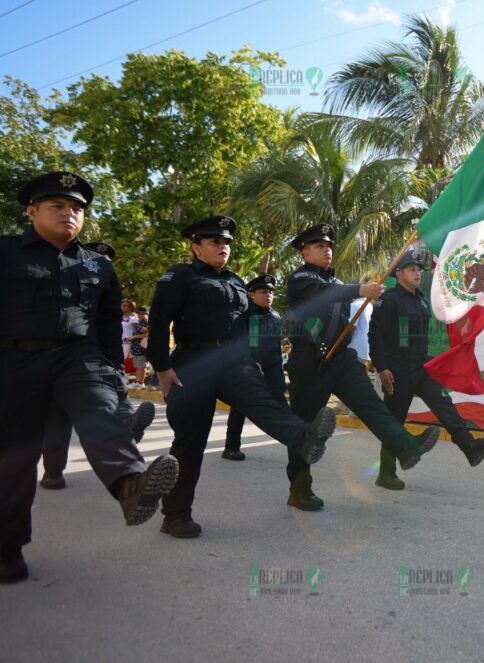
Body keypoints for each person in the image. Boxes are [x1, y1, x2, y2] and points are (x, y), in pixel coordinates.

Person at [0, 171, 179, 583]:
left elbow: (104, 323)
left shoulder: (98, 265)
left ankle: (131, 486)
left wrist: (114, 378)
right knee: (14, 461)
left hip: (77, 356)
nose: (69, 214)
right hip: (14, 360)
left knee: (102, 412)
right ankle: (7, 549)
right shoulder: (6, 253)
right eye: (58, 206)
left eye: (77, 208)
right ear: (32, 212)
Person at [149, 216, 337, 538]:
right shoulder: (180, 276)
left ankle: (305, 438)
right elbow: (158, 322)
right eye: (214, 242)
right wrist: (162, 367)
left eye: (226, 243)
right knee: (190, 442)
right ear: (196, 247)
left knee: (263, 402)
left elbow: (244, 328)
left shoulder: (237, 282)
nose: (223, 247)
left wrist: (252, 361)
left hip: (234, 361)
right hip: (193, 362)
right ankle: (176, 515)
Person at [284, 224, 440, 511]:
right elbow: (325, 294)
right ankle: (299, 488)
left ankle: (406, 448)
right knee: (304, 426)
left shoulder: (336, 281)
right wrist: (359, 289)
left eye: (329, 245)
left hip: (341, 359)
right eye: (319, 246)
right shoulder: (300, 279)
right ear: (305, 252)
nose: (327, 250)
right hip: (310, 361)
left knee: (373, 406)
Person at [368, 250, 484, 490]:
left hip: (420, 365)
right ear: (398, 274)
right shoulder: (389, 301)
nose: (417, 273)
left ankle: (471, 449)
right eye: (411, 269)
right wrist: (382, 367)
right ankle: (386, 473)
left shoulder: (421, 300)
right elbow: (375, 336)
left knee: (445, 406)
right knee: (395, 420)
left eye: (418, 269)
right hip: (397, 368)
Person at [39, 241, 157, 491]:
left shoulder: (107, 287)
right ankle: (53, 471)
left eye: (107, 261)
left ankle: (127, 425)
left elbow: (111, 326)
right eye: (96, 259)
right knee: (61, 416)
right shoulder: (64, 283)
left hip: (101, 359)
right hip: (67, 359)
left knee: (110, 400)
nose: (103, 265)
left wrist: (115, 364)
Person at [222, 274, 286, 462]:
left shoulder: (275, 315)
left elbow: (276, 344)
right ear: (251, 294)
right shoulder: (247, 315)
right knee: (240, 407)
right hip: (249, 368)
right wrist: (252, 363)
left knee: (280, 404)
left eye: (271, 292)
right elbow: (246, 343)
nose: (268, 295)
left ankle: (297, 442)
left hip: (273, 368)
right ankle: (231, 447)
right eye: (263, 292)